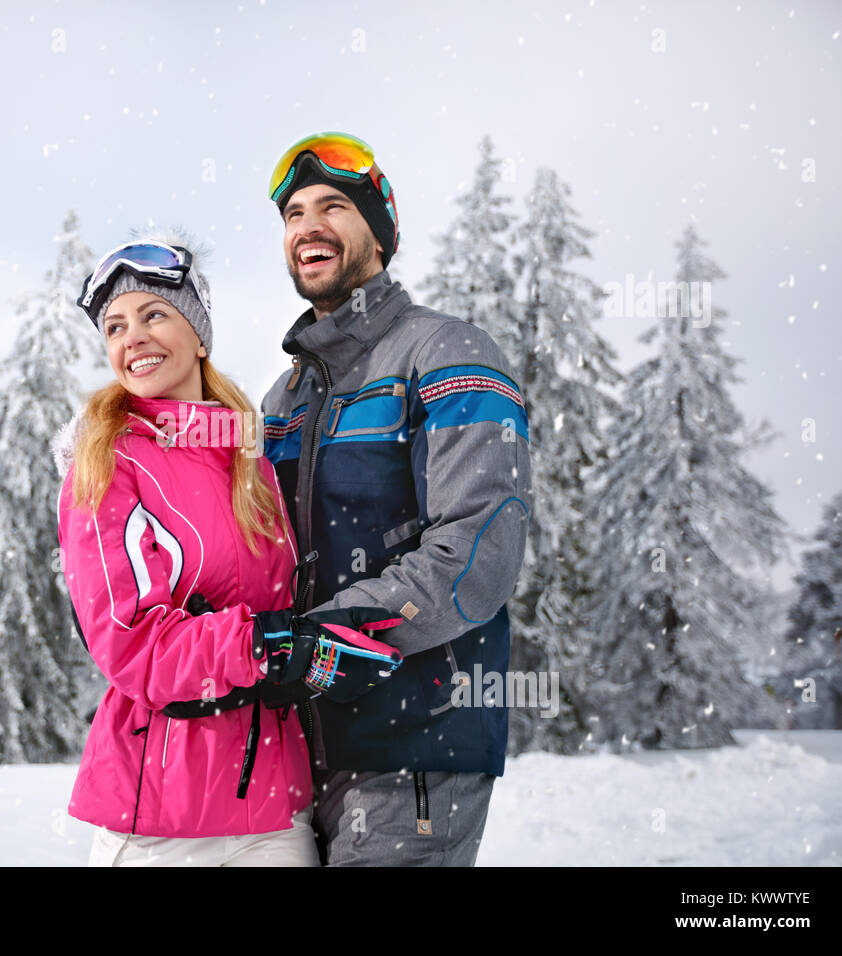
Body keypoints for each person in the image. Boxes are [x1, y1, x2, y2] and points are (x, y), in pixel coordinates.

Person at [54, 230, 406, 866]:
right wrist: (270, 646)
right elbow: (133, 645)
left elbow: (293, 604)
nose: (132, 337)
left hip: (274, 815)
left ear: (198, 333)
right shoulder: (107, 464)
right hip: (157, 823)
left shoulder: (252, 462)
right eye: (114, 326)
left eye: (154, 314)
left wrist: (358, 627)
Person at [260, 132, 534, 866]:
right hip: (295, 755)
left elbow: (479, 547)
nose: (307, 226)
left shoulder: (448, 355)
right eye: (293, 213)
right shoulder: (283, 398)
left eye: (334, 207)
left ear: (378, 237)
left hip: (415, 744)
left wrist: (325, 634)